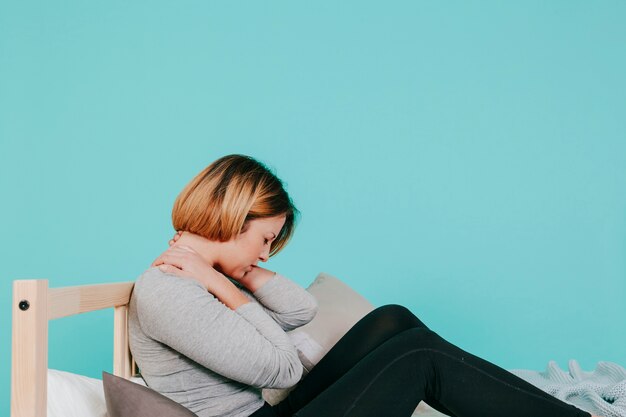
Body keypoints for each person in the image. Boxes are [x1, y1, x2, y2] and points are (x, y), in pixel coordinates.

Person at [128, 154, 600, 417]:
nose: (266, 254)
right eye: (265, 239)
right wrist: (223, 284)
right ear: (234, 214)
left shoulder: (202, 277)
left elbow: (298, 313)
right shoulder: (171, 291)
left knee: (391, 321)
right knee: (419, 357)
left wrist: (241, 274)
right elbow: (282, 370)